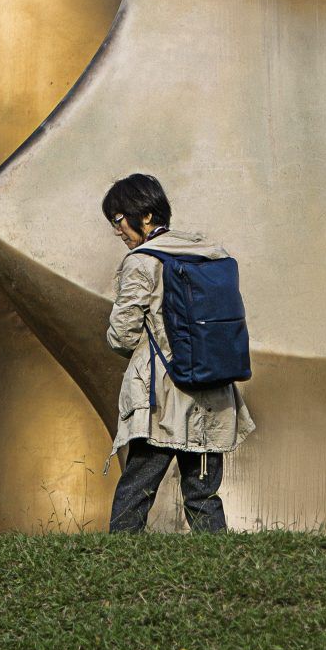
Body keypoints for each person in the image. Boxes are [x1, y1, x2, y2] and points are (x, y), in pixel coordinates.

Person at [101, 173, 254, 533]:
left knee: (137, 488)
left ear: (147, 216)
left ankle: (116, 566)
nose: (117, 230)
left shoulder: (143, 262)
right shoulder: (210, 253)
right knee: (203, 493)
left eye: (118, 219)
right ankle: (218, 570)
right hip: (214, 391)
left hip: (163, 398)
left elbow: (122, 335)